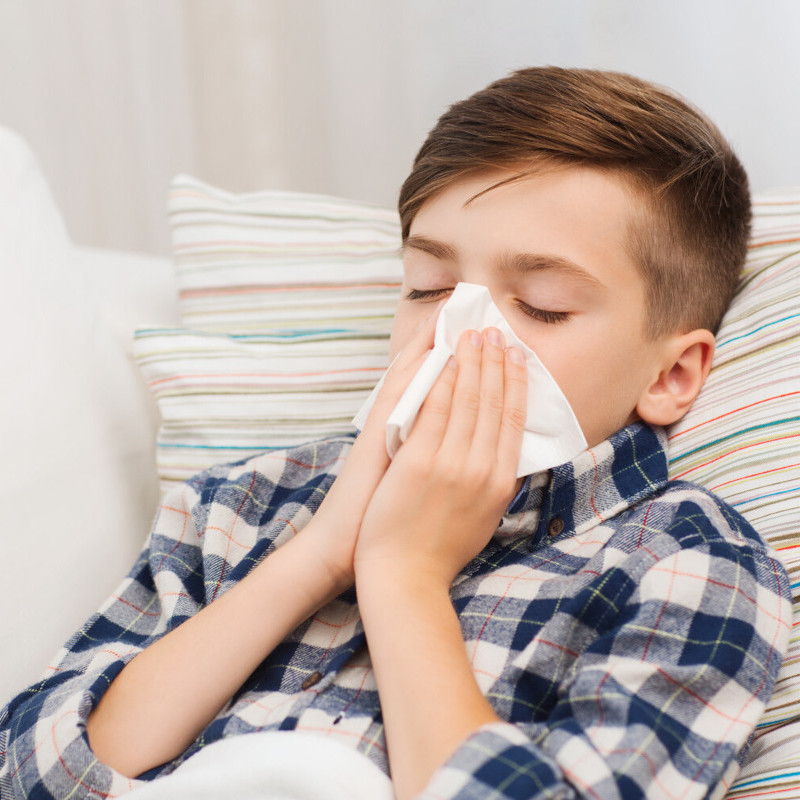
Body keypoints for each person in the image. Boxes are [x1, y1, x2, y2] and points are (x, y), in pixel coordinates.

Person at [0, 67, 791, 800]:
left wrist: (403, 574)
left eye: (543, 305)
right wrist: (318, 555)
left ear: (671, 376)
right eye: (429, 288)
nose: (459, 332)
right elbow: (33, 773)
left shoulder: (692, 563)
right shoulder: (240, 506)